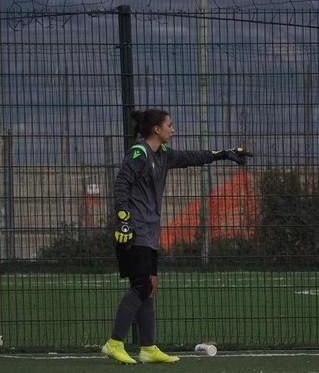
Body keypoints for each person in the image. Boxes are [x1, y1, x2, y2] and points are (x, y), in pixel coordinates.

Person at [101, 108, 253, 364]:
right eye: (170, 125)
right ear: (156, 129)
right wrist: (124, 220)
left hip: (149, 232)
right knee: (141, 286)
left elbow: (193, 156)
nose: (174, 129)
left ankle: (148, 348)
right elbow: (121, 184)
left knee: (150, 289)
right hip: (134, 231)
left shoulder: (164, 155)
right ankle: (113, 342)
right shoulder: (139, 153)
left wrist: (225, 154)